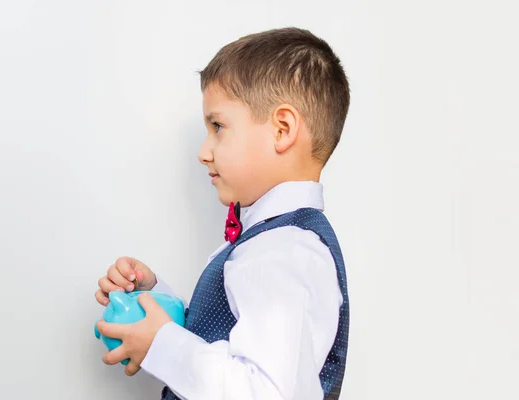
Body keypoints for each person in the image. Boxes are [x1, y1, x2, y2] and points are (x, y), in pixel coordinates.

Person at [95, 27, 351, 400]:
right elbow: (230, 340)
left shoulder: (283, 251)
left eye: (218, 127)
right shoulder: (273, 242)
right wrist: (155, 301)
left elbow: (265, 391)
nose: (204, 151)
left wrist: (161, 344)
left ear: (282, 130)